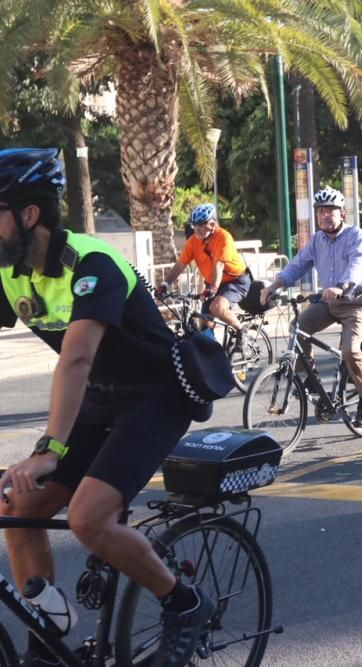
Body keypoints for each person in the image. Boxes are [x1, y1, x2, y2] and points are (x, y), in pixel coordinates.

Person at [0, 148, 212, 667]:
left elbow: (76, 358)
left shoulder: (92, 263)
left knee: (88, 519)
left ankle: (184, 605)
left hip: (155, 396)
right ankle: (48, 642)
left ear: (28, 215)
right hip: (97, 398)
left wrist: (50, 448)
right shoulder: (9, 270)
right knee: (18, 508)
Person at [259, 188, 362, 425]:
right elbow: (298, 265)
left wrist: (341, 286)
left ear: (341, 213)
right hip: (329, 303)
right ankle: (310, 378)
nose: (325, 215)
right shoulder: (317, 240)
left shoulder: (356, 236)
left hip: (356, 303)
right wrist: (273, 285)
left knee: (350, 350)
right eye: (321, 211)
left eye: (330, 211)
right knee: (297, 327)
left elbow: (357, 264)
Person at [159, 203, 250, 340]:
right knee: (204, 328)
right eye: (194, 225)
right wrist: (165, 284)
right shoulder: (193, 242)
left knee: (217, 307)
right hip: (212, 283)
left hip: (235, 281)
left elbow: (219, 265)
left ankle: (242, 331)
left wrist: (213, 288)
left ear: (213, 224)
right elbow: (180, 265)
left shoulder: (223, 238)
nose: (197, 229)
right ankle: (213, 357)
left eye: (201, 225)